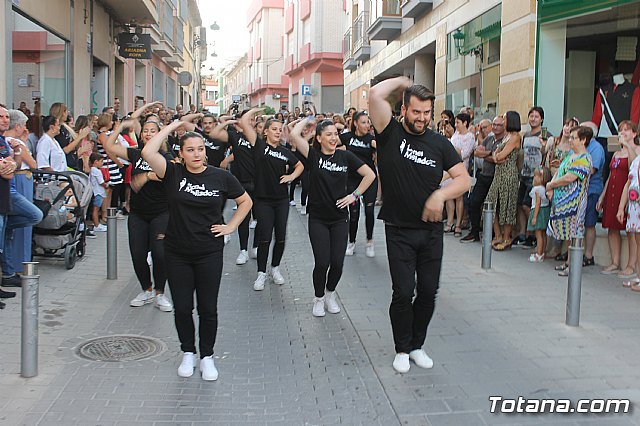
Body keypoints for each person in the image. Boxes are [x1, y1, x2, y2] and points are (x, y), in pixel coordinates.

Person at [368, 77, 470, 373]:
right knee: (403, 291)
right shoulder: (389, 132)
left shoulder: (439, 143)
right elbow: (375, 94)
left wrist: (441, 193)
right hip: (398, 229)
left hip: (431, 231)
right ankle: (402, 348)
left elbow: (463, 179)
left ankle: (416, 345)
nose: (422, 118)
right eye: (416, 112)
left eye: (427, 113)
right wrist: (402, 81)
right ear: (403, 109)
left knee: (428, 291)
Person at [142, 120, 252, 381]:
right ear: (181, 153)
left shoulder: (220, 176)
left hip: (209, 251)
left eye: (200, 149)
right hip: (177, 251)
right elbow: (148, 153)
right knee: (182, 307)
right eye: (190, 150)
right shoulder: (172, 173)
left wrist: (231, 227)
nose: (196, 154)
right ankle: (188, 352)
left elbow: (245, 200)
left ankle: (207, 356)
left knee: (207, 308)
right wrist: (171, 127)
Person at [289, 118, 375, 317]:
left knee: (337, 263)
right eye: (328, 134)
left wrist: (354, 195)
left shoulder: (346, 156)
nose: (334, 137)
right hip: (318, 218)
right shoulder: (314, 155)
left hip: (339, 219)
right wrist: (309, 120)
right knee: (322, 262)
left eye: (335, 134)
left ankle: (330, 294)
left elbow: (369, 175)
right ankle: (318, 298)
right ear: (319, 138)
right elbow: (294, 135)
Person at [104, 104, 181, 312]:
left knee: (159, 253)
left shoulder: (165, 158)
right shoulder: (136, 154)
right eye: (145, 131)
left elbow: (162, 178)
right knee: (138, 254)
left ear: (159, 135)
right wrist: (121, 127)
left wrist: (146, 177)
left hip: (161, 213)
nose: (147, 134)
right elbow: (109, 147)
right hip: (138, 213)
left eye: (152, 131)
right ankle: (146, 290)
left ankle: (160, 293)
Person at [238, 110, 304, 291]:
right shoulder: (259, 145)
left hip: (281, 200)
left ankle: (275, 267)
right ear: (265, 131)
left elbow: (300, 165)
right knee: (265, 237)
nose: (277, 131)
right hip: (263, 200)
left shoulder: (284, 151)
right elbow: (244, 121)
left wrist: (291, 177)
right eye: (273, 129)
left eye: (280, 129)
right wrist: (255, 111)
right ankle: (261, 273)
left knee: (281, 237)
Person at [0, 106, 43, 288]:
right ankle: (8, 274)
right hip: (9, 189)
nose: (5, 119)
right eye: (1, 116)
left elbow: (13, 165)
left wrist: (16, 152)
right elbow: (14, 169)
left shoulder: (6, 141)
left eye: (6, 116)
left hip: (9, 188)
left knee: (30, 218)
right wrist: (10, 165)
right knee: (33, 215)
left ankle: (8, 274)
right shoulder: (8, 139)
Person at [209, 111, 259, 264]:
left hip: (259, 184)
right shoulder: (235, 137)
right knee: (243, 218)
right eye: (246, 120)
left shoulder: (259, 138)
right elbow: (214, 133)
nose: (249, 122)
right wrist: (228, 122)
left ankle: (255, 246)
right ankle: (243, 250)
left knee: (260, 218)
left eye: (252, 120)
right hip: (241, 182)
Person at [547, 126, 593, 277]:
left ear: (583, 140)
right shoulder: (570, 156)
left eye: (574, 138)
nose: (571, 140)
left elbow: (570, 177)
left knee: (575, 233)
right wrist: (551, 187)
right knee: (567, 233)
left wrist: (552, 185)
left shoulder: (585, 158)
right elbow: (560, 171)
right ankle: (567, 261)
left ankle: (573, 265)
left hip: (575, 203)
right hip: (562, 202)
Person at [596, 120, 640, 278]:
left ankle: (631, 265)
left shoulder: (636, 150)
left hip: (629, 193)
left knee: (631, 231)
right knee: (612, 228)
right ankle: (614, 262)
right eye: (621, 130)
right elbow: (609, 177)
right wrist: (602, 195)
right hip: (613, 191)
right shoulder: (616, 153)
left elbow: (633, 167)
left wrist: (628, 146)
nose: (623, 133)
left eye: (627, 130)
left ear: (634, 133)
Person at [339, 111, 378, 257]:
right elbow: (328, 143)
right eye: (363, 122)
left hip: (369, 179)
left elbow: (385, 148)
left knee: (369, 211)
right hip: (352, 179)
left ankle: (369, 241)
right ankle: (352, 241)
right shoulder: (347, 137)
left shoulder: (371, 139)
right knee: (354, 213)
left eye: (368, 122)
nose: (367, 125)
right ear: (355, 123)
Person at [461, 116, 505, 242]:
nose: (496, 127)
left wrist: (488, 155)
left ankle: (493, 234)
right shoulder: (489, 139)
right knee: (473, 202)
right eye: (495, 125)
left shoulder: (505, 141)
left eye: (498, 125)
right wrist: (491, 154)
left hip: (495, 177)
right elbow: (477, 152)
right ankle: (474, 231)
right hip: (483, 175)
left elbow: (499, 159)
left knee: (493, 207)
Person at [485, 111, 522, 251]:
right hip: (498, 174)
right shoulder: (506, 136)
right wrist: (496, 156)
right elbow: (496, 155)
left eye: (505, 119)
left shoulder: (515, 137)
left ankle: (506, 237)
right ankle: (498, 235)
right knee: (490, 202)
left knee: (507, 205)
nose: (503, 121)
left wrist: (497, 156)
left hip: (508, 174)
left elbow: (500, 156)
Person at [516, 106, 550, 248]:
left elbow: (546, 152)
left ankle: (533, 234)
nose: (533, 119)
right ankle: (523, 233)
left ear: (541, 119)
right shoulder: (527, 135)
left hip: (536, 176)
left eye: (536, 116)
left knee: (528, 205)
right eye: (531, 116)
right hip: (525, 173)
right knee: (521, 205)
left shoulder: (545, 134)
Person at [443, 112, 475, 236]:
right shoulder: (455, 136)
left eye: (457, 122)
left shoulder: (470, 137)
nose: (455, 125)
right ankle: (450, 222)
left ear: (465, 123)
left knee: (459, 197)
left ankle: (458, 224)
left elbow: (465, 153)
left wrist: (452, 148)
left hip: (462, 168)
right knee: (449, 196)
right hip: (449, 168)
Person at [581, 121, 606, 267]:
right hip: (578, 191)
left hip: (592, 190)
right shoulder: (579, 145)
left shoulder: (596, 148)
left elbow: (593, 169)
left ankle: (588, 255)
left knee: (589, 224)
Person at [617, 144, 640, 290]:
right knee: (638, 242)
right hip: (634, 208)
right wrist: (621, 207)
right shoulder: (637, 160)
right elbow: (629, 182)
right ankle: (639, 276)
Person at [527, 167, 552, 262]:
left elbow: (537, 203)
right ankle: (543, 251)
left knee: (539, 234)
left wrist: (534, 216)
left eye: (537, 176)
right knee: (543, 234)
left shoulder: (537, 189)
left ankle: (539, 254)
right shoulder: (544, 189)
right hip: (545, 211)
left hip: (538, 211)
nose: (535, 178)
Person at [89, 153, 108, 233]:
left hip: (96, 192)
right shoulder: (96, 171)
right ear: (96, 162)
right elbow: (101, 182)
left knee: (96, 209)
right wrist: (106, 185)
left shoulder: (92, 170)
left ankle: (97, 224)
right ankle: (97, 225)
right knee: (96, 209)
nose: (102, 163)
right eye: (101, 161)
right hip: (98, 192)